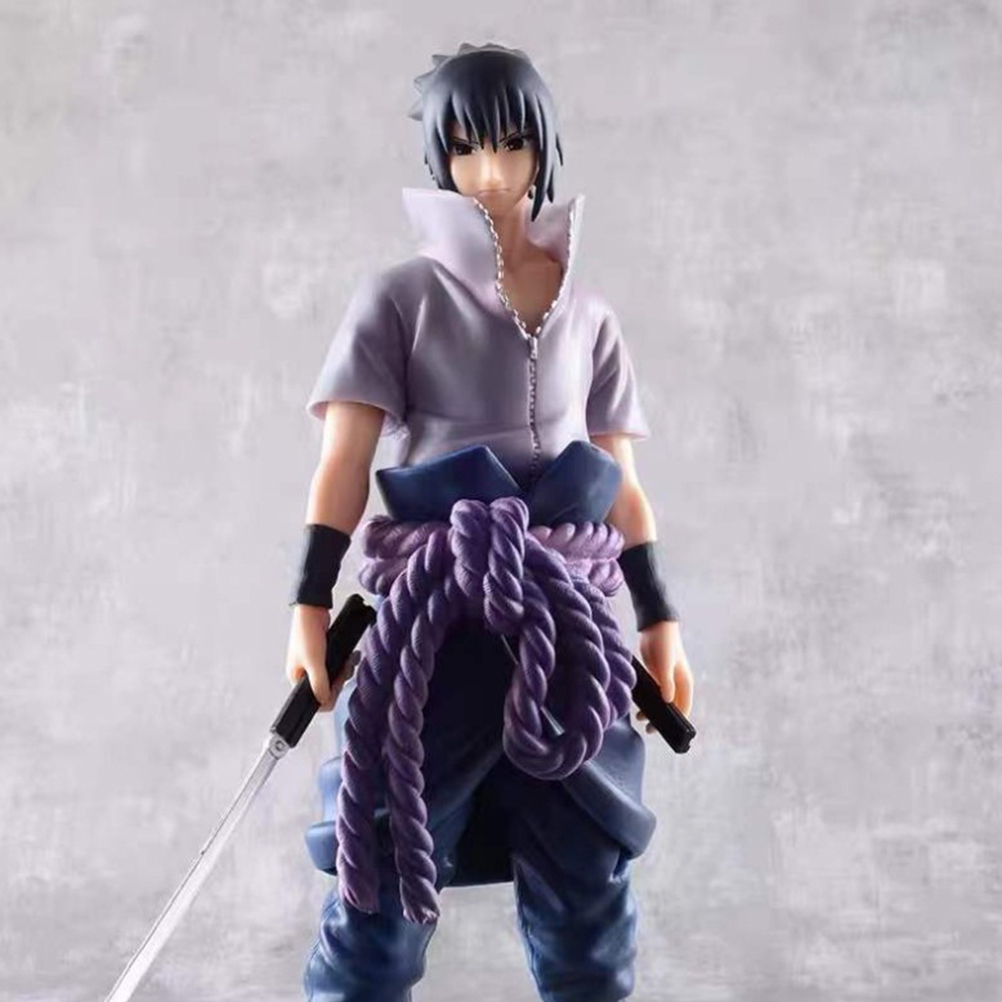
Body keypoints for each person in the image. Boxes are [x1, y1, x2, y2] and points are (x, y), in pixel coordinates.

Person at [285, 41, 695, 1002]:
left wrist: (659, 617)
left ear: (543, 149)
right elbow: (344, 462)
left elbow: (621, 483)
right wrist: (310, 599)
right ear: (440, 159)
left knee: (587, 903)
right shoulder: (401, 298)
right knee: (381, 883)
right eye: (466, 149)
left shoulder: (589, 313)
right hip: (438, 625)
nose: (492, 173)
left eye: (512, 145)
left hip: (568, 624)